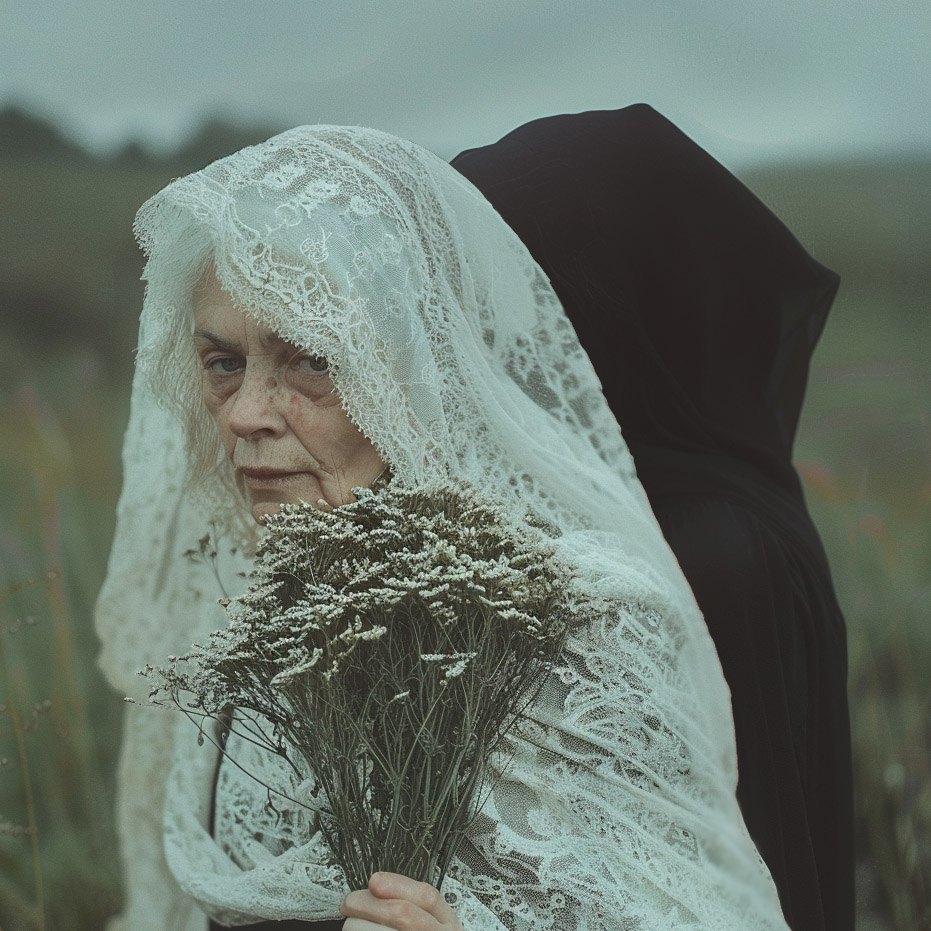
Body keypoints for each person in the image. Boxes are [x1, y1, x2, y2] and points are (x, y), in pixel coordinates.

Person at [96, 124, 792, 930]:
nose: (249, 413)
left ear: (412, 372)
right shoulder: (243, 599)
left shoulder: (573, 622)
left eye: (311, 360)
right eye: (223, 364)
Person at [452, 104, 854, 931]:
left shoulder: (709, 548)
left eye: (512, 293)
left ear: (598, 310)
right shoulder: (703, 501)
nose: (478, 337)